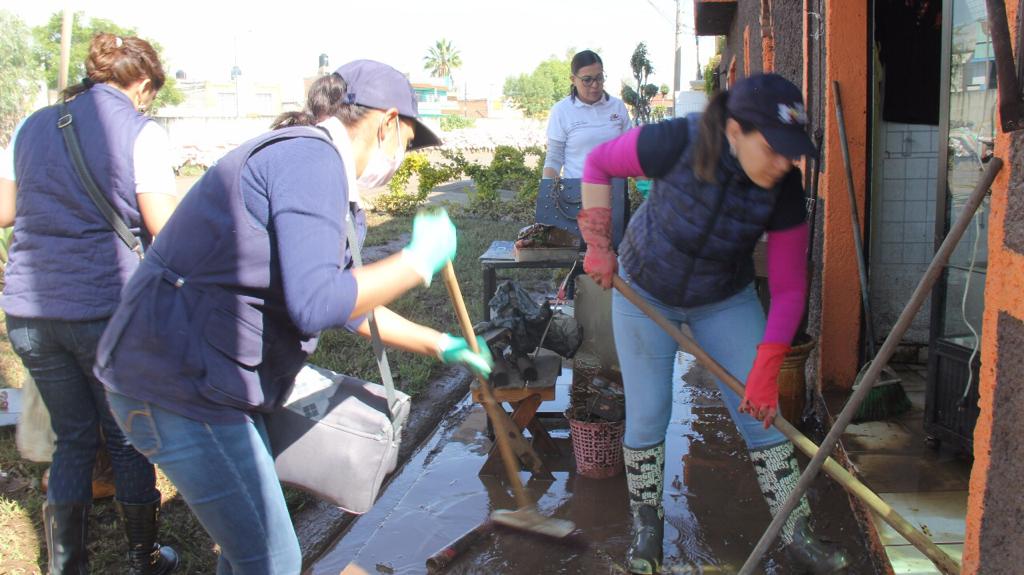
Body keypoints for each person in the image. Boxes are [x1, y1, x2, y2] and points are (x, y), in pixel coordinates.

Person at [93, 60, 493, 574]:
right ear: (388, 121)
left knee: (250, 555)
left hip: (199, 378)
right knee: (273, 560)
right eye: (407, 141)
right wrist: (416, 262)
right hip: (176, 385)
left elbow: (349, 303)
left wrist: (440, 344)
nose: (401, 156)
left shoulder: (321, 171)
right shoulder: (310, 161)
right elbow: (319, 302)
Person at [577, 74, 849, 574]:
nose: (786, 162)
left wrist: (767, 369)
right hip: (645, 292)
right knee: (649, 413)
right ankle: (646, 529)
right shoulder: (676, 140)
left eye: (793, 151)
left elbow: (789, 288)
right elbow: (597, 164)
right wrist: (598, 243)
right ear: (733, 130)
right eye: (774, 148)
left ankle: (797, 532)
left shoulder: (785, 186)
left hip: (723, 299)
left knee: (762, 415)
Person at [1, 34, 180, 574]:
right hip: (105, 310)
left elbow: (6, 211)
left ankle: (65, 566)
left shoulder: (32, 125)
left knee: (74, 439)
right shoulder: (141, 132)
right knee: (126, 437)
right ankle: (143, 558)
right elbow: (163, 229)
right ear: (143, 85)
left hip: (30, 312)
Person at [542, 49, 631, 179]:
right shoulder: (561, 110)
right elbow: (554, 157)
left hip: (616, 191)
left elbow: (629, 149)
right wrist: (547, 192)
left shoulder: (617, 106)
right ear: (573, 79)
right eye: (587, 80)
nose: (595, 85)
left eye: (599, 78)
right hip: (576, 193)